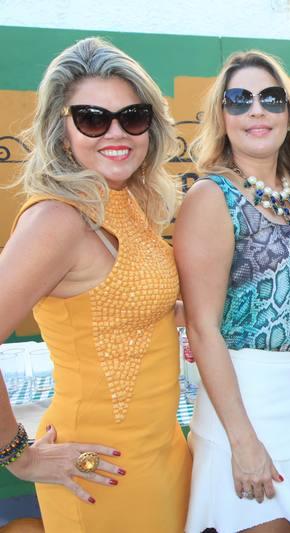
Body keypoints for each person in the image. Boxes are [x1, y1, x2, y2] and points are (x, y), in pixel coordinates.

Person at [0, 37, 191, 531]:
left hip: (162, 451)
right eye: (92, 118)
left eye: (132, 117)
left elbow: (122, 308)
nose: (116, 132)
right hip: (97, 470)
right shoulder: (56, 220)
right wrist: (19, 456)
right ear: (62, 130)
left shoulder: (126, 201)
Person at [176, 50, 290, 533]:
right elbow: (202, 328)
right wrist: (243, 441)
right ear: (222, 117)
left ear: (288, 114)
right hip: (248, 402)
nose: (256, 110)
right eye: (239, 100)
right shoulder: (211, 197)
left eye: (271, 98)